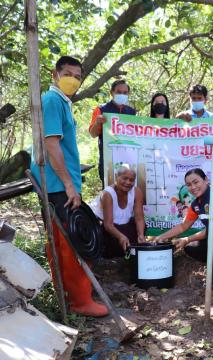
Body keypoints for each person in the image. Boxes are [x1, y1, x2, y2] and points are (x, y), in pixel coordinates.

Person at [30, 55, 108, 317]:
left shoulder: (61, 103)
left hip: (61, 184)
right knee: (71, 242)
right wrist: (68, 185)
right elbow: (52, 146)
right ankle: (79, 300)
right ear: (55, 75)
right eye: (68, 74)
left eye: (77, 76)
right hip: (57, 185)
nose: (73, 80)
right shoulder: (52, 100)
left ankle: (69, 293)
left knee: (61, 240)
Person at [90, 165, 145, 258]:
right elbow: (108, 225)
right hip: (104, 226)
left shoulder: (137, 192)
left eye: (131, 180)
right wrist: (121, 237)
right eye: (125, 178)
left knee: (138, 232)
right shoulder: (107, 194)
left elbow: (139, 218)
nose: (128, 182)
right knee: (114, 245)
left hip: (121, 225)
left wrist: (141, 235)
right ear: (116, 177)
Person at [89, 80, 136, 186]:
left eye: (125, 93)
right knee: (109, 193)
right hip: (107, 160)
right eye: (118, 92)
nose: (122, 95)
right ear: (112, 92)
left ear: (128, 94)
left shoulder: (132, 112)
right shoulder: (101, 110)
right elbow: (93, 134)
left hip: (127, 160)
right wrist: (97, 122)